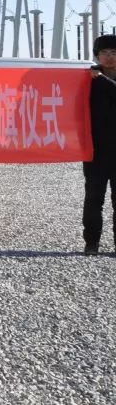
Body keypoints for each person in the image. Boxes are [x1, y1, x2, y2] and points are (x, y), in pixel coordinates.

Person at [83, 33, 116, 256]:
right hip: (95, 149)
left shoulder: (98, 79)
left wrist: (101, 79)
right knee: (94, 198)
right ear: (97, 55)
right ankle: (91, 242)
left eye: (114, 53)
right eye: (104, 53)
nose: (109, 57)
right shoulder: (87, 79)